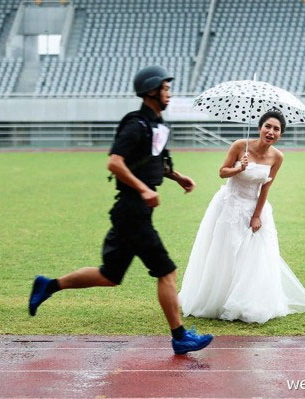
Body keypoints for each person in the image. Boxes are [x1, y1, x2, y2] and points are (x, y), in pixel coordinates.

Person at [28, 65, 213, 355]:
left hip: (132, 211)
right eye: (165, 88)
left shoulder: (157, 125)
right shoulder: (136, 124)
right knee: (167, 271)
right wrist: (143, 189)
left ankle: (48, 286)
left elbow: (150, 161)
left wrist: (177, 178)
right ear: (152, 91)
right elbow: (115, 162)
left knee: (109, 276)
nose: (169, 93)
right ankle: (180, 337)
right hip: (133, 210)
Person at [178, 110, 305, 324]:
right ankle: (219, 299)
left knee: (255, 256)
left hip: (255, 207)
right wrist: (238, 168)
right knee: (226, 251)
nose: (271, 132)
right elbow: (222, 172)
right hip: (230, 205)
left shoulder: (277, 157)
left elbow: (266, 188)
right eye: (268, 127)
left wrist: (256, 215)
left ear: (281, 134)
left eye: (276, 129)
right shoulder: (239, 146)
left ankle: (246, 302)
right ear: (260, 127)